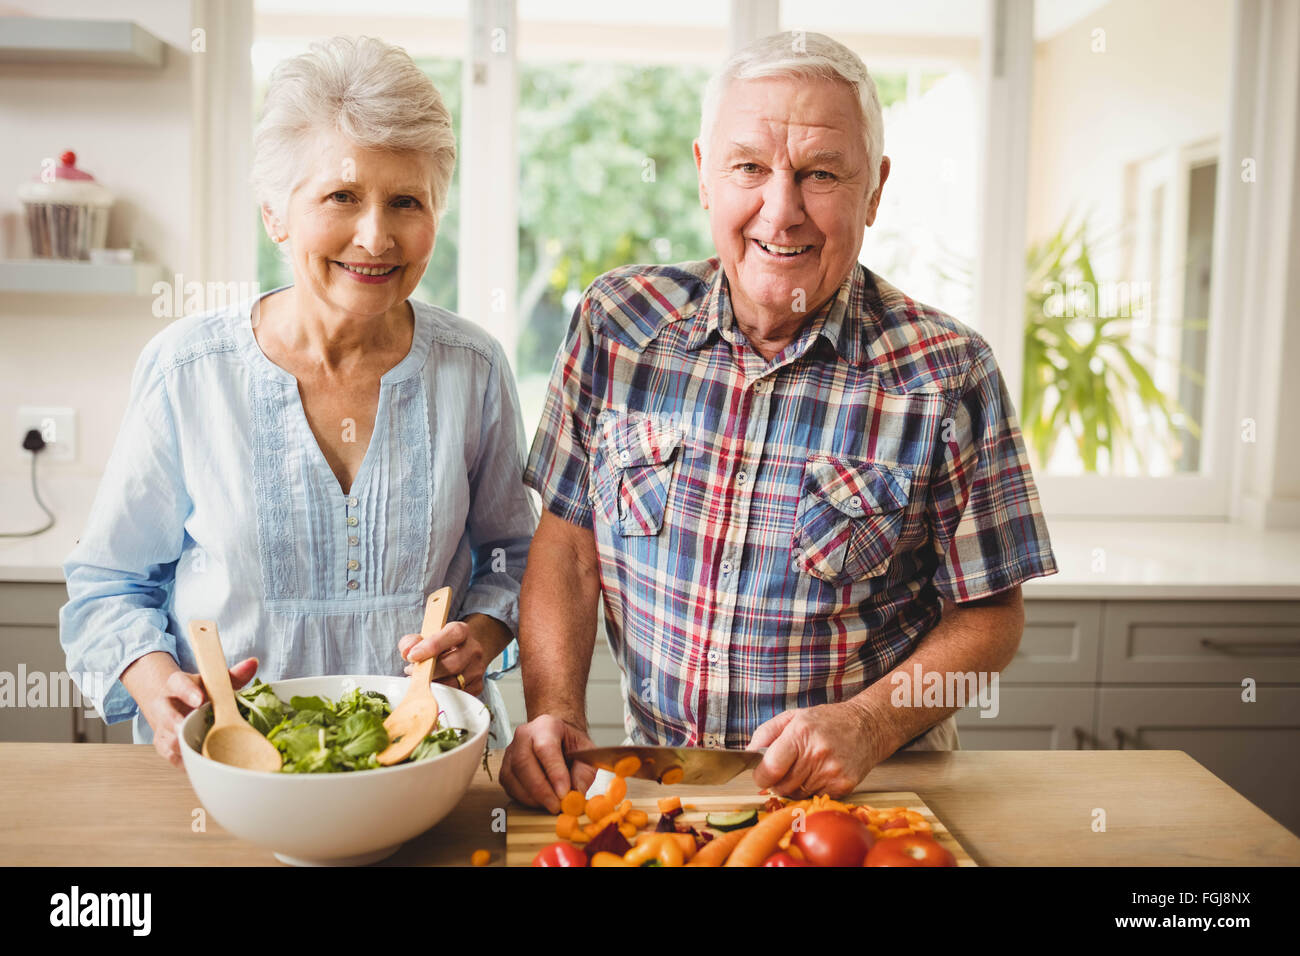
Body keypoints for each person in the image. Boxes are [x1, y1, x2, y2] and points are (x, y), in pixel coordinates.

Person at [503, 31, 1057, 811]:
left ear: (875, 190)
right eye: (750, 168)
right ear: (704, 176)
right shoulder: (615, 323)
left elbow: (992, 612)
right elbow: (566, 543)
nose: (782, 210)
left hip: (868, 788)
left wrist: (866, 723)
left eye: (821, 174)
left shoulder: (948, 373)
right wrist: (556, 713)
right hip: (663, 787)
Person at [60, 36, 536, 764]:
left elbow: (514, 557)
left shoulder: (472, 368)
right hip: (231, 768)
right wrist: (157, 683)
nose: (375, 236)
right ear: (275, 214)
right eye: (342, 196)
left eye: (406, 201)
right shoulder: (188, 370)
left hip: (429, 767)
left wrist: (482, 632)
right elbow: (108, 585)